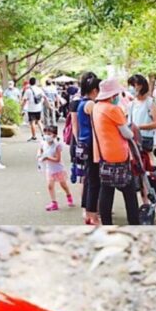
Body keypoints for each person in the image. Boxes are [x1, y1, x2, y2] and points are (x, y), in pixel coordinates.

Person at [88, 79, 146, 227]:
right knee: (130, 193)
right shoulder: (114, 110)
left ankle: (107, 224)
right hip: (119, 155)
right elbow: (127, 134)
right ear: (113, 94)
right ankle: (134, 223)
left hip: (104, 155)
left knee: (106, 190)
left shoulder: (97, 107)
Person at [73, 70, 102, 225]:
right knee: (94, 181)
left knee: (89, 178)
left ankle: (88, 212)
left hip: (85, 143)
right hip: (92, 144)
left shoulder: (81, 103)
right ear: (94, 91)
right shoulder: (90, 104)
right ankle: (93, 215)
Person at [127, 74, 156, 160]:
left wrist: (138, 127)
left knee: (146, 162)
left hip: (146, 139)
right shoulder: (132, 104)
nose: (131, 88)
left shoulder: (150, 102)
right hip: (133, 138)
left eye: (133, 85)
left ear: (140, 86)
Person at [39, 124, 72, 212]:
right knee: (50, 186)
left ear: (54, 135)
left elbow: (57, 159)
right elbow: (40, 150)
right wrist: (40, 155)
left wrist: (47, 158)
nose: (47, 135)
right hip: (49, 169)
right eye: (45, 133)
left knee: (63, 184)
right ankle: (54, 202)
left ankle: (68, 195)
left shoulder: (57, 145)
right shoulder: (43, 143)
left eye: (49, 134)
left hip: (58, 169)